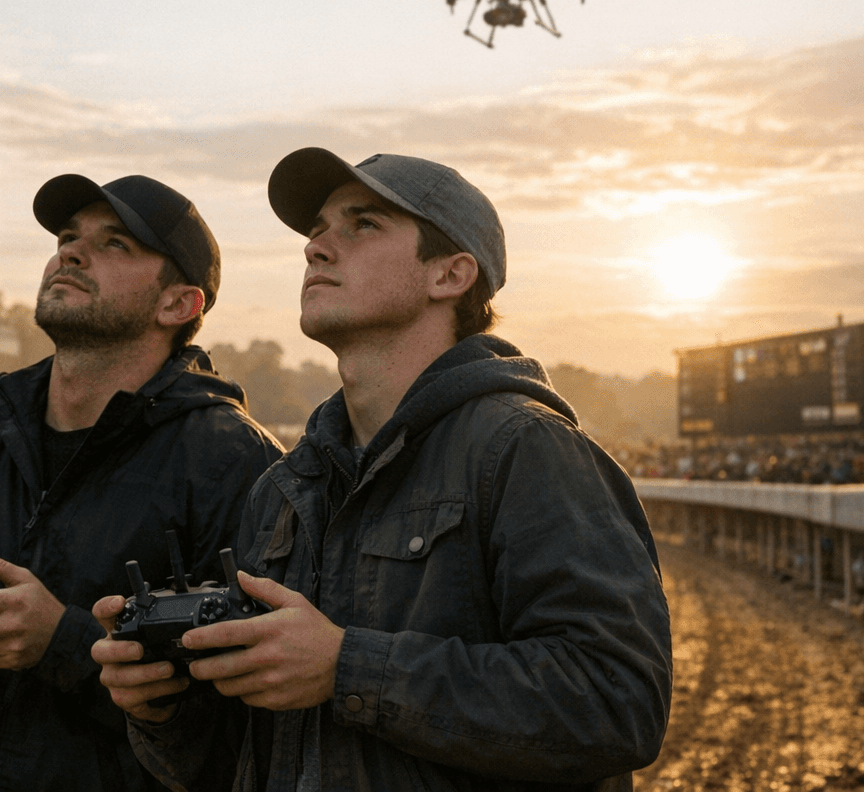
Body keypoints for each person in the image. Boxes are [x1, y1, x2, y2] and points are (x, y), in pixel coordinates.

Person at [93, 148, 673, 791]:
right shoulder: (284, 489)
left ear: (450, 275)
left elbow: (619, 702)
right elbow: (240, 761)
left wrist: (348, 669)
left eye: (362, 224)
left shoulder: (527, 448)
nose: (316, 248)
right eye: (316, 231)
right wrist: (164, 708)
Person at [0, 173, 284, 791]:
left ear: (179, 304)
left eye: (114, 243)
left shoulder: (239, 464)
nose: (70, 251)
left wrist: (60, 643)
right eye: (68, 237)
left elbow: (250, 737)